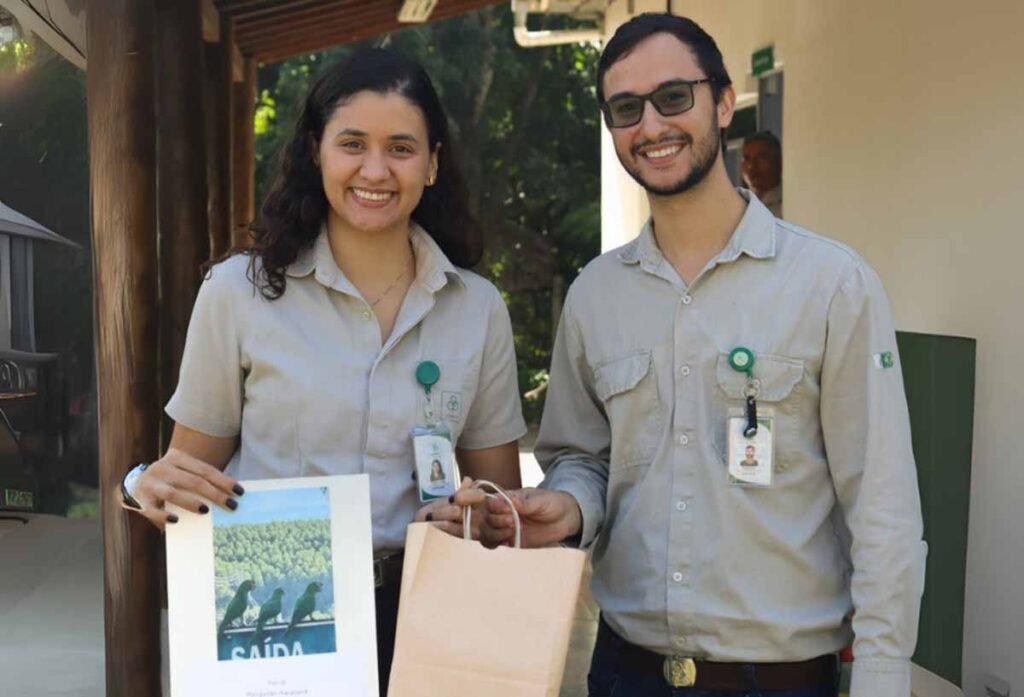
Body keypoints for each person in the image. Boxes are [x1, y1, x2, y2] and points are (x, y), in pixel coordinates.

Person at [481, 13, 925, 697]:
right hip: (627, 671)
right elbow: (582, 457)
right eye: (626, 108)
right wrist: (569, 506)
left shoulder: (832, 284)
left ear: (722, 103)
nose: (651, 124)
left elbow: (882, 505)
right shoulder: (597, 296)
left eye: (673, 97)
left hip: (779, 680)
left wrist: (883, 678)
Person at [118, 48, 526, 694]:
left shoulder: (477, 310)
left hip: (429, 612)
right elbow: (186, 483)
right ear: (316, 151)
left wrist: (467, 518)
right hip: (276, 613)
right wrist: (141, 482)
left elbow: (504, 507)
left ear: (433, 163)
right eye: (352, 143)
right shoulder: (238, 294)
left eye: (400, 147)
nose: (375, 169)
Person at [741, 130, 783, 216]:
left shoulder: (788, 202)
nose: (751, 166)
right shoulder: (741, 204)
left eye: (761, 158)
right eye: (747, 158)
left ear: (778, 161)